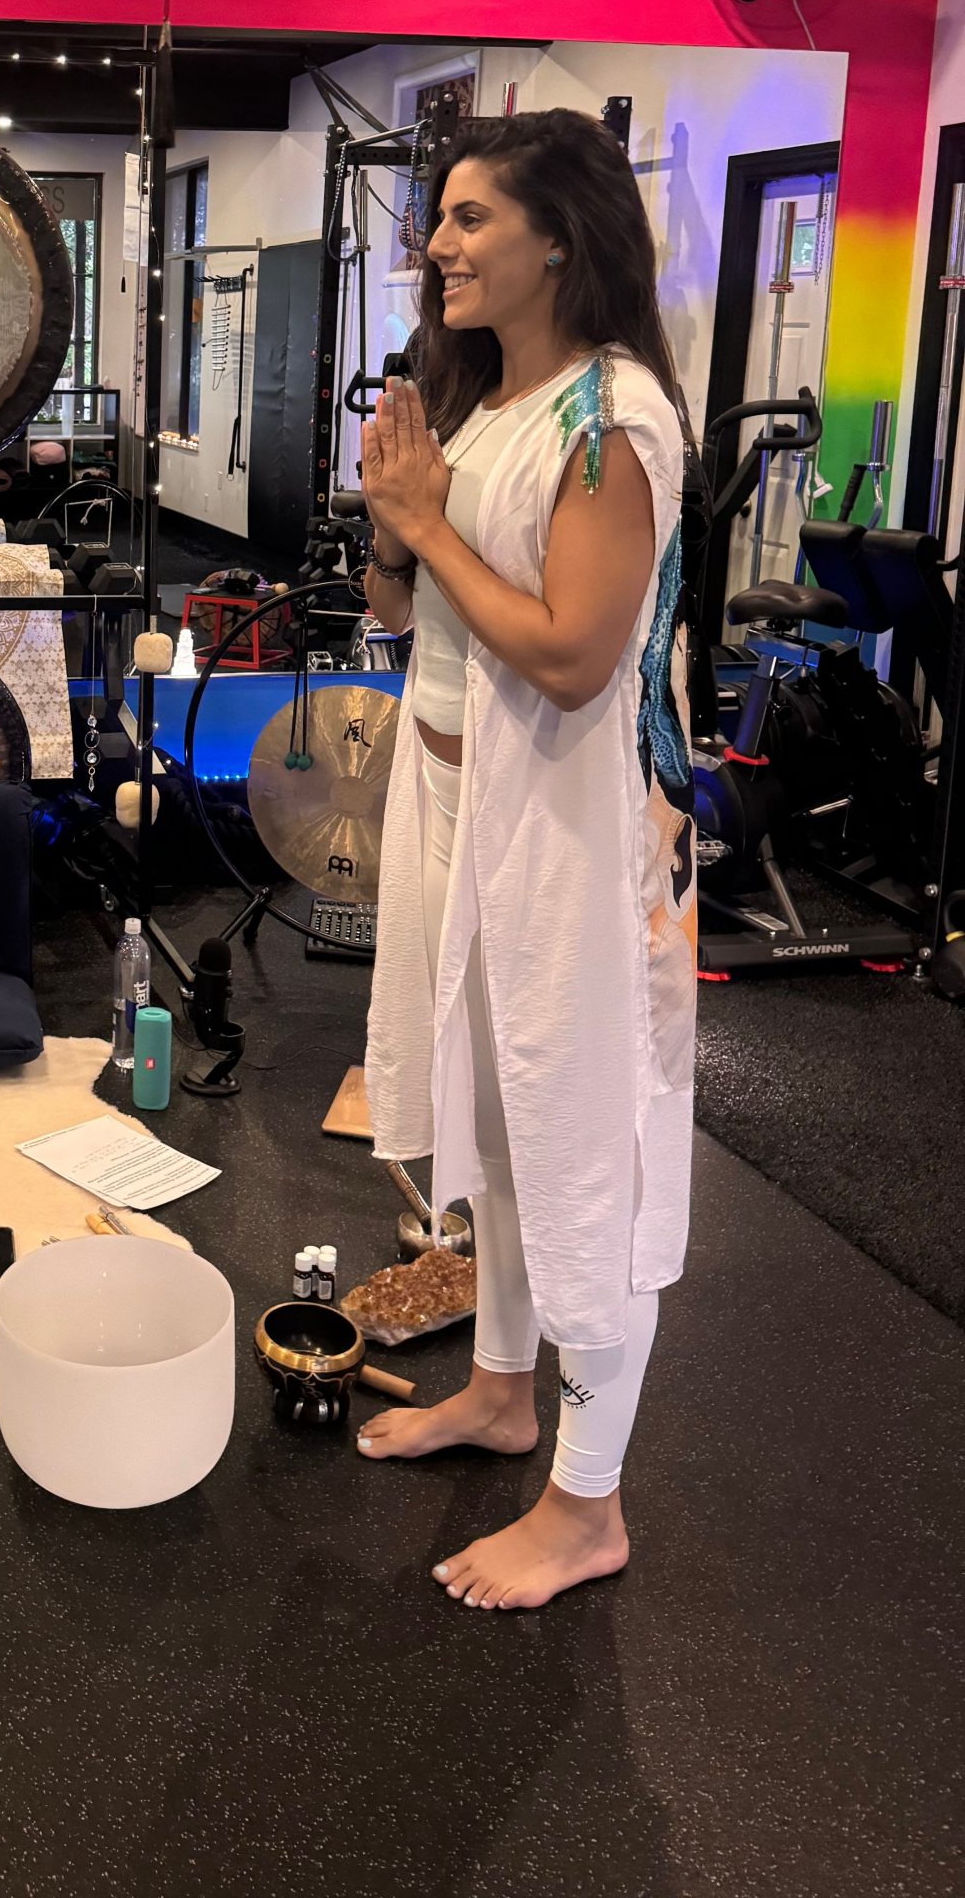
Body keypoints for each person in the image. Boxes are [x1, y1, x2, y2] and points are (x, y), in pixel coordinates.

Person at [353, 109, 697, 1612]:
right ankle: (503, 1391)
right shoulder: (485, 396)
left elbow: (570, 655)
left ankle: (589, 1501)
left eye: (472, 217)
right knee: (494, 1129)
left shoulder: (611, 417)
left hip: (566, 834)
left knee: (581, 1151)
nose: (438, 243)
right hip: (454, 810)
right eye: (440, 217)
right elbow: (401, 616)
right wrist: (391, 526)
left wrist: (428, 526)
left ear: (560, 238)